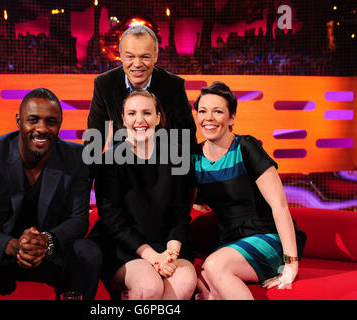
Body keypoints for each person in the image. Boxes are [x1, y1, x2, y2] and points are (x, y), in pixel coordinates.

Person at [0, 88, 102, 300]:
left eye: (51, 121)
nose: (42, 129)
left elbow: (78, 220)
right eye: (33, 120)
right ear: (19, 120)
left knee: (88, 252)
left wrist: (46, 241)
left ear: (60, 123)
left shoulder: (77, 158)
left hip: (46, 256)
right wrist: (12, 246)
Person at [192, 81, 306, 300]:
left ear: (231, 118)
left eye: (218, 111)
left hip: (267, 236)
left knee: (214, 266)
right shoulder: (194, 157)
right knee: (202, 282)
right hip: (230, 242)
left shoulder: (246, 147)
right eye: (202, 111)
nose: (208, 118)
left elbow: (279, 206)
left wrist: (291, 265)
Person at [90, 90, 197, 300]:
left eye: (147, 113)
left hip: (167, 245)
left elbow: (180, 213)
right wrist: (153, 257)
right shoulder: (110, 161)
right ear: (123, 119)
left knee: (184, 282)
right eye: (132, 114)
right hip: (125, 249)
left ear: (158, 117)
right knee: (149, 287)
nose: (139, 120)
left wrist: (170, 253)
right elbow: (113, 222)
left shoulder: (176, 157)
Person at [87, 25, 197, 153]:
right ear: (121, 56)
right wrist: (90, 172)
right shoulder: (104, 84)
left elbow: (186, 137)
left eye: (145, 57)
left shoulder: (173, 86)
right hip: (122, 161)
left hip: (161, 159)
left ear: (155, 56)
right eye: (130, 57)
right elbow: (94, 138)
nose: (137, 64)